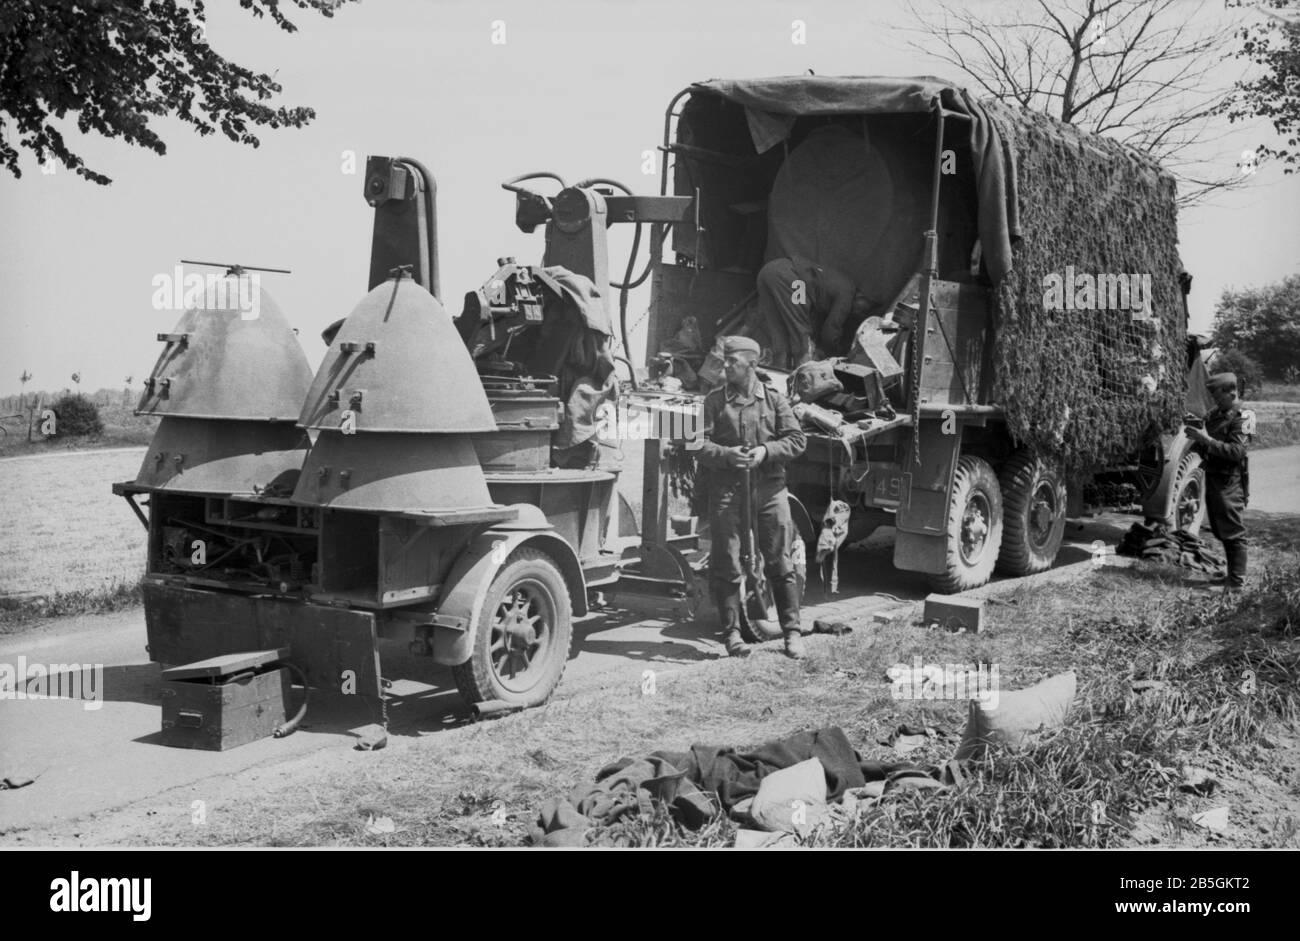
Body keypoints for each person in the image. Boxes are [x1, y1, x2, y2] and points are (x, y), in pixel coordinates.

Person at [697, 336, 808, 658]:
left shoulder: (774, 401)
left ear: (753, 365)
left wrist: (765, 451)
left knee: (780, 561)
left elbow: (797, 440)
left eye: (733, 361)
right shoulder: (714, 401)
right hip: (728, 492)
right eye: (725, 360)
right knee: (726, 564)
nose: (726, 366)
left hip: (770, 491)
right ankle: (732, 635)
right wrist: (727, 455)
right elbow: (695, 444)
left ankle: (792, 634)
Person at [1186, 372, 1250, 590]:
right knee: (1220, 528)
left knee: (1233, 531)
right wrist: (1197, 435)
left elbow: (1237, 451)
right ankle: (1231, 576)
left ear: (1231, 392)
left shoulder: (1244, 415)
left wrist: (1206, 439)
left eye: (1217, 395)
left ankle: (1236, 582)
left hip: (1229, 481)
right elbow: (1206, 438)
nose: (1214, 399)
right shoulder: (1216, 414)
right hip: (1213, 477)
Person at [755, 256, 870, 368]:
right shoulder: (848, 293)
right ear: (860, 295)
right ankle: (805, 373)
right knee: (801, 332)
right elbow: (830, 331)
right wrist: (834, 353)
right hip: (790, 275)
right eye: (862, 309)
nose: (858, 312)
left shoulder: (832, 284)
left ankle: (778, 368)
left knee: (778, 331)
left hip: (768, 270)